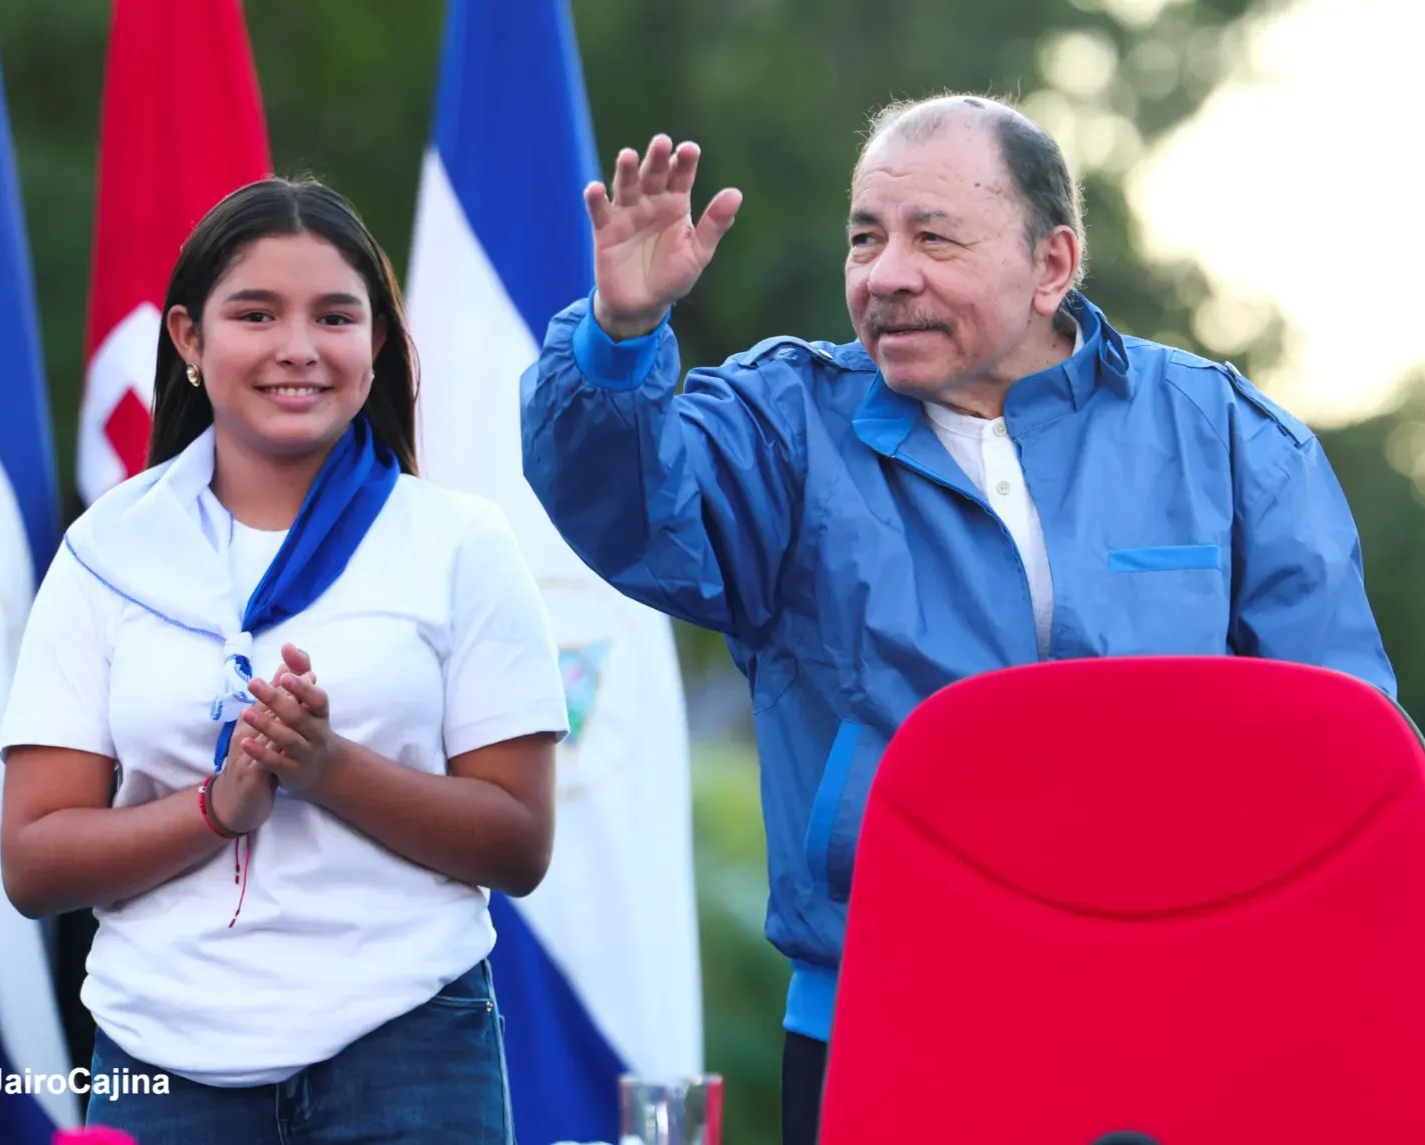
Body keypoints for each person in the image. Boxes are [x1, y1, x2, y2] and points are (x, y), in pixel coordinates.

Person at [519, 94, 1396, 1145]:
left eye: (932, 237)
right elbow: (618, 500)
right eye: (865, 237)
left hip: (1192, 1004)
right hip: (889, 1009)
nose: (885, 274)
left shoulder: (1225, 437)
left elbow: (1340, 749)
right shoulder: (783, 426)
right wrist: (618, 339)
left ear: (1051, 264)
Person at [0, 177, 570, 1145]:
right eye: (255, 313)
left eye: (335, 315)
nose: (297, 346)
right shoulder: (104, 552)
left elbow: (519, 840)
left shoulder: (460, 543)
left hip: (409, 1054)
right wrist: (216, 808)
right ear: (187, 338)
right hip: (160, 1057)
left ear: (376, 342)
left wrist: (328, 767)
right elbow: (33, 858)